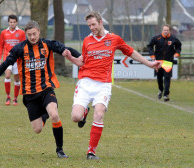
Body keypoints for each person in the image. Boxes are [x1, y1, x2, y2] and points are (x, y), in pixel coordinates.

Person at [69, 11, 162, 160]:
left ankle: (91, 152)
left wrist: (150, 64)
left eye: (93, 24)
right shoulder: (87, 40)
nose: (91, 28)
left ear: (100, 22)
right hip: (85, 82)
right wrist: (70, 57)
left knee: (99, 114)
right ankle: (84, 111)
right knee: (75, 117)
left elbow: (131, 52)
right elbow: (81, 62)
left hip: (103, 84)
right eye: (89, 25)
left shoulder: (114, 39)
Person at [0, 21, 82, 158]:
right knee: (38, 129)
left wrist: (80, 56)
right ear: (26, 35)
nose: (32, 37)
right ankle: (45, 114)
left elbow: (66, 49)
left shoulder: (48, 44)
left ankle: (60, 150)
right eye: (29, 35)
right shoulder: (19, 49)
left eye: (34, 34)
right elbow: (5, 64)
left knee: (55, 115)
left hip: (46, 88)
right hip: (29, 94)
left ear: (39, 32)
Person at [147, 24, 182, 102]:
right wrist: (152, 55)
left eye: (167, 30)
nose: (166, 31)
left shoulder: (173, 38)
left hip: (168, 61)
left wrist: (177, 53)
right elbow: (149, 46)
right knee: (159, 77)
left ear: (169, 31)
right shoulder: (156, 38)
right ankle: (160, 90)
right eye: (164, 30)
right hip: (158, 62)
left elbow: (179, 46)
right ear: (162, 30)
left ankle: (166, 94)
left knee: (167, 77)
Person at [0, 14, 26, 106]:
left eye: (14, 22)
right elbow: (0, 46)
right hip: (7, 59)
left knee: (17, 78)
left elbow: (24, 46)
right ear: (8, 22)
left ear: (16, 22)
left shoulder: (21, 33)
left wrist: (24, 58)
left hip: (18, 60)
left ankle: (15, 98)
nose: (12, 24)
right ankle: (8, 96)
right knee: (8, 75)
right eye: (10, 22)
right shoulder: (4, 33)